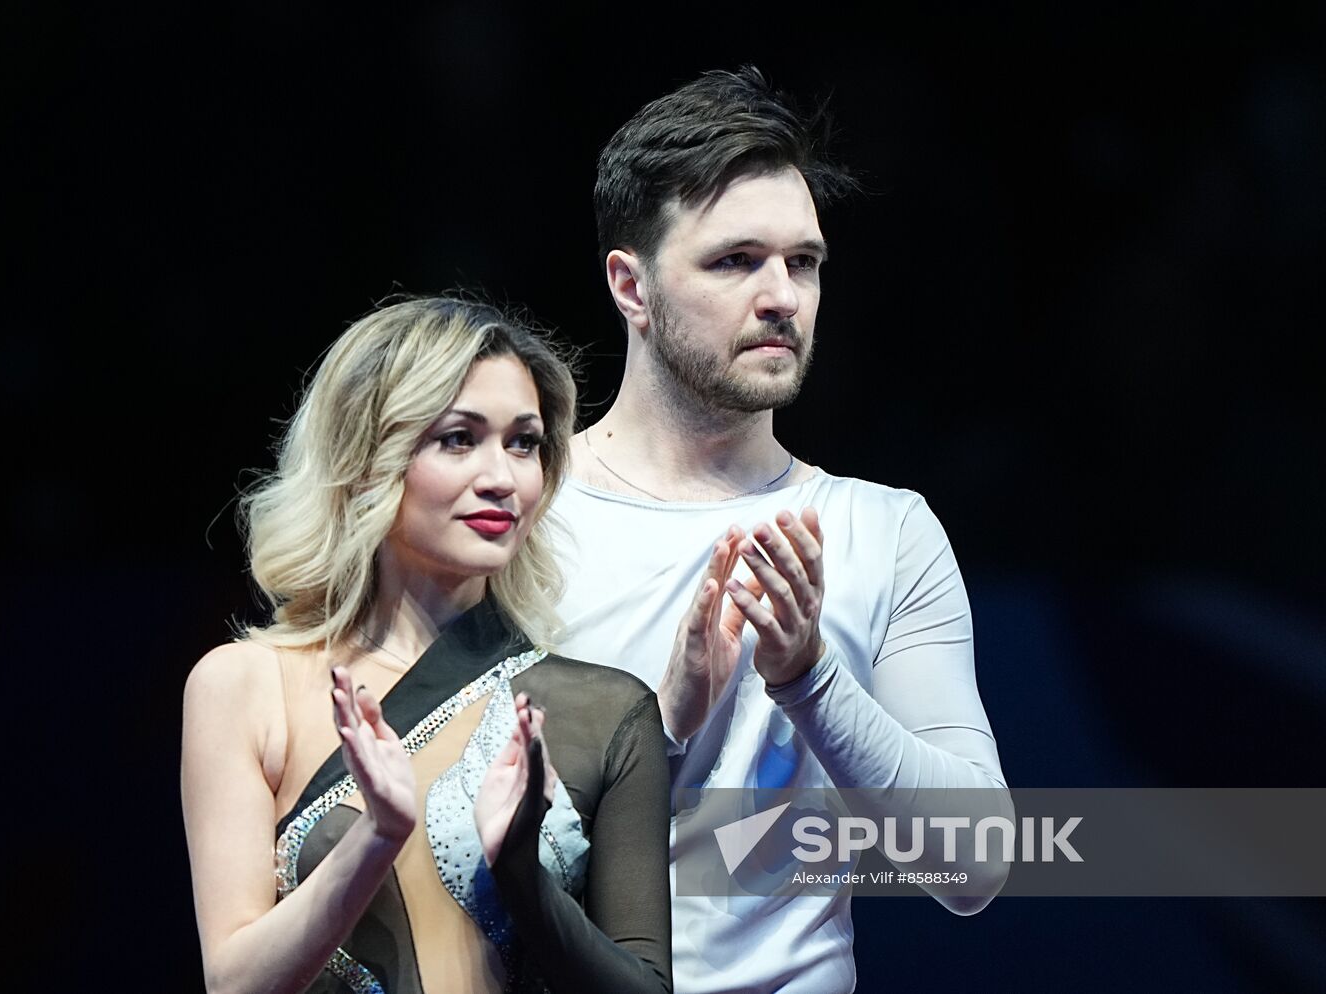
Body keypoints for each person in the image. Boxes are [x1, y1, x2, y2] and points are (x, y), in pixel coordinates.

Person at [550, 68, 1010, 993]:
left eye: (802, 262)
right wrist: (662, 729)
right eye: (735, 261)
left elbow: (975, 866)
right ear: (629, 286)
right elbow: (444, 852)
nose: (782, 297)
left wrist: (808, 679)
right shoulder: (522, 515)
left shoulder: (885, 531)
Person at [181, 297, 672, 994]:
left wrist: (522, 876)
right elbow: (235, 983)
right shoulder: (246, 686)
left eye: (524, 443)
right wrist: (377, 836)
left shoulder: (604, 710)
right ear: (365, 459)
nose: (502, 477)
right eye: (458, 439)